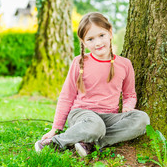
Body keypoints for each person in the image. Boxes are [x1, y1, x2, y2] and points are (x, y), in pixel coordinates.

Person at [34, 12, 150, 157]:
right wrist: (56, 128)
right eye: (90, 39)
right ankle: (56, 142)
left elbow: (130, 94)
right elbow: (66, 96)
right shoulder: (79, 62)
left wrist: (128, 107)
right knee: (95, 125)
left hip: (108, 117)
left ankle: (90, 144)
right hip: (82, 115)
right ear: (83, 42)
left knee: (142, 119)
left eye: (101, 35)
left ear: (110, 33)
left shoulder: (125, 64)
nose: (98, 43)